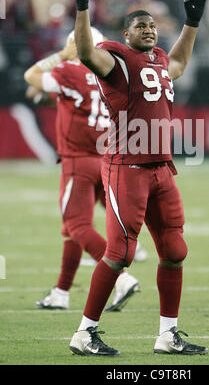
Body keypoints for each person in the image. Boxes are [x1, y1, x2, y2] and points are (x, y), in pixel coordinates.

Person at [68, 0, 208, 357]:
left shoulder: (159, 59)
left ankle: (168, 335)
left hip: (161, 167)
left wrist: (191, 23)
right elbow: (85, 52)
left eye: (151, 25)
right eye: (139, 26)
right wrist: (82, 9)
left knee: (175, 250)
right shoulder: (116, 59)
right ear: (125, 34)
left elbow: (177, 61)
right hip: (126, 165)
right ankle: (85, 332)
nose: (148, 30)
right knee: (120, 252)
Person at [24, 27, 143, 313]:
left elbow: (31, 78)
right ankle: (61, 292)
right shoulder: (110, 74)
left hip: (78, 160)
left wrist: (62, 55)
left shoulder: (71, 71)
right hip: (108, 159)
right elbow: (39, 92)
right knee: (72, 230)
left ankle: (121, 277)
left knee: (77, 226)